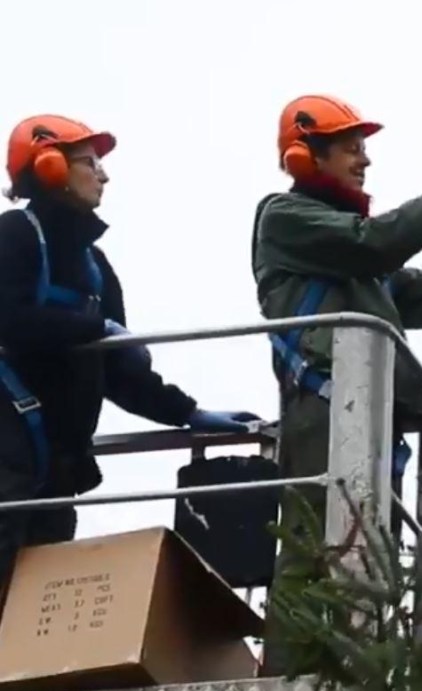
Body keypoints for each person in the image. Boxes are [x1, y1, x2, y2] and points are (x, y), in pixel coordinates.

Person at [251, 93, 422, 675]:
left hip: (372, 417)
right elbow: (374, 241)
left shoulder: (365, 267)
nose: (365, 160)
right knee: (312, 543)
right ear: (309, 155)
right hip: (324, 407)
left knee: (372, 547)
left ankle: (360, 672)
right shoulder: (284, 217)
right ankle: (287, 679)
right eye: (352, 148)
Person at [0, 113, 262, 605]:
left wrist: (187, 413)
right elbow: (9, 320)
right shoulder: (14, 235)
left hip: (54, 473)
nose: (103, 174)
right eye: (90, 161)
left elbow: (120, 371)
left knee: (37, 612)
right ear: (51, 166)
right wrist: (94, 328)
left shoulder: (95, 268)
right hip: (6, 463)